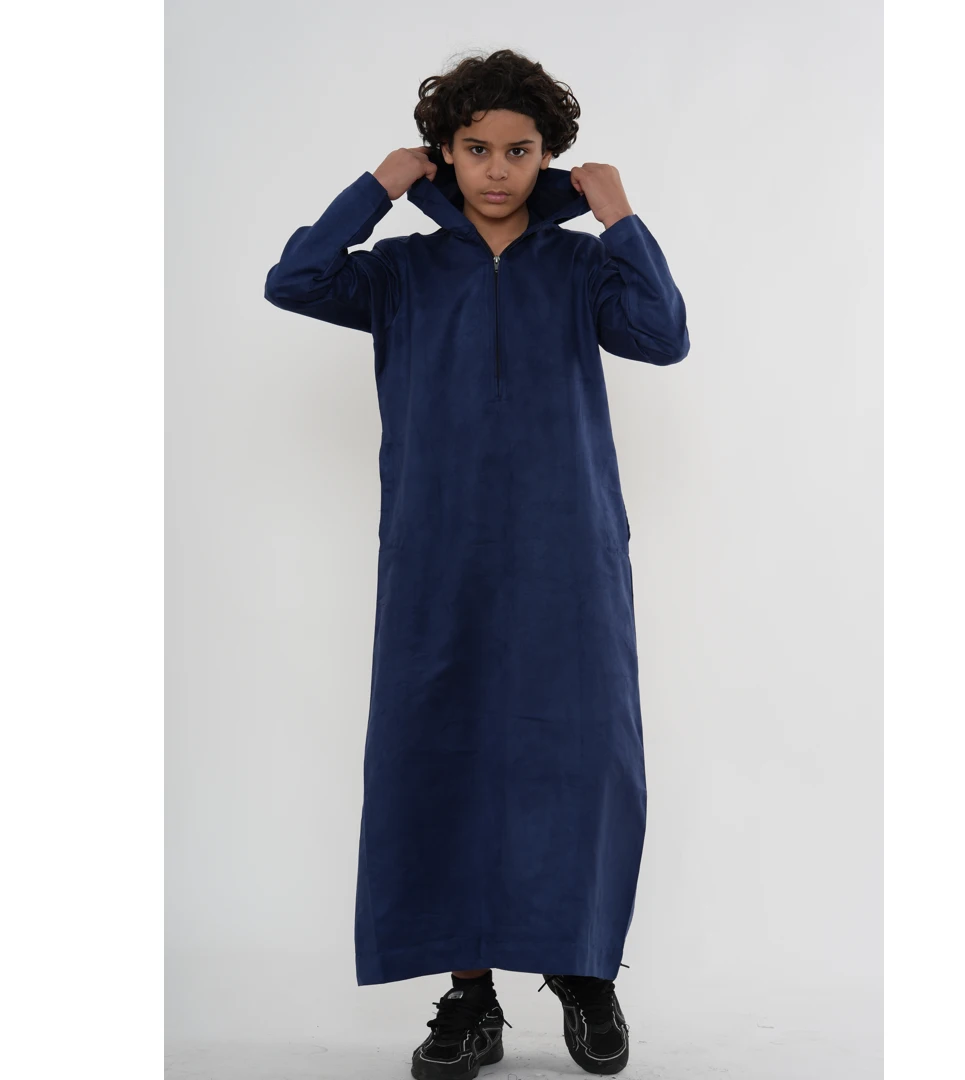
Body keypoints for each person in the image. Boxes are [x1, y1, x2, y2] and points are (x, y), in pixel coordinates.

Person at [264, 47, 689, 1080]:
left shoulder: (581, 267)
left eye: (519, 150)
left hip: (568, 551)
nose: (498, 169)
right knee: (440, 756)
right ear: (445, 154)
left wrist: (621, 218)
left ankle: (582, 970)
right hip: (436, 551)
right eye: (476, 148)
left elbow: (663, 335)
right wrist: (376, 188)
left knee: (580, 758)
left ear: (549, 158)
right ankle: (470, 995)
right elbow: (295, 280)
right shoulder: (402, 274)